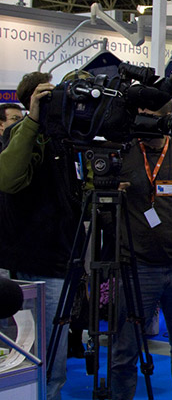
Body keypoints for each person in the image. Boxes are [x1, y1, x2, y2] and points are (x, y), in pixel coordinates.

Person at [110, 101, 172, 400]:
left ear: (168, 118)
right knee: (125, 350)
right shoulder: (124, 152)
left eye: (152, 117)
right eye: (141, 116)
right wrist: (111, 196)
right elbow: (101, 213)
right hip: (136, 266)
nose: (145, 123)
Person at [0, 72, 82, 400]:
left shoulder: (64, 137)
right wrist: (33, 120)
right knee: (24, 354)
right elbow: (9, 178)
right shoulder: (19, 134)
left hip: (60, 259)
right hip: (27, 261)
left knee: (54, 357)